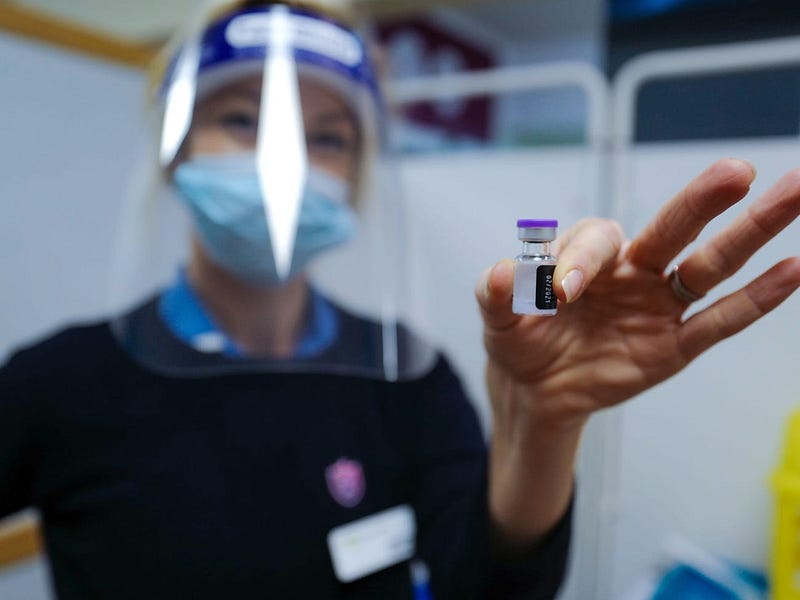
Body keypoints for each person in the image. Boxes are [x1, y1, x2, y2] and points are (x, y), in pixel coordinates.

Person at [2, 1, 799, 599]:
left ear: (358, 174)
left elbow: (484, 587)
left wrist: (546, 421)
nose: (288, 163)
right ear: (173, 152)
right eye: (242, 121)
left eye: (331, 136)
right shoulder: (59, 382)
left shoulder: (405, 379)